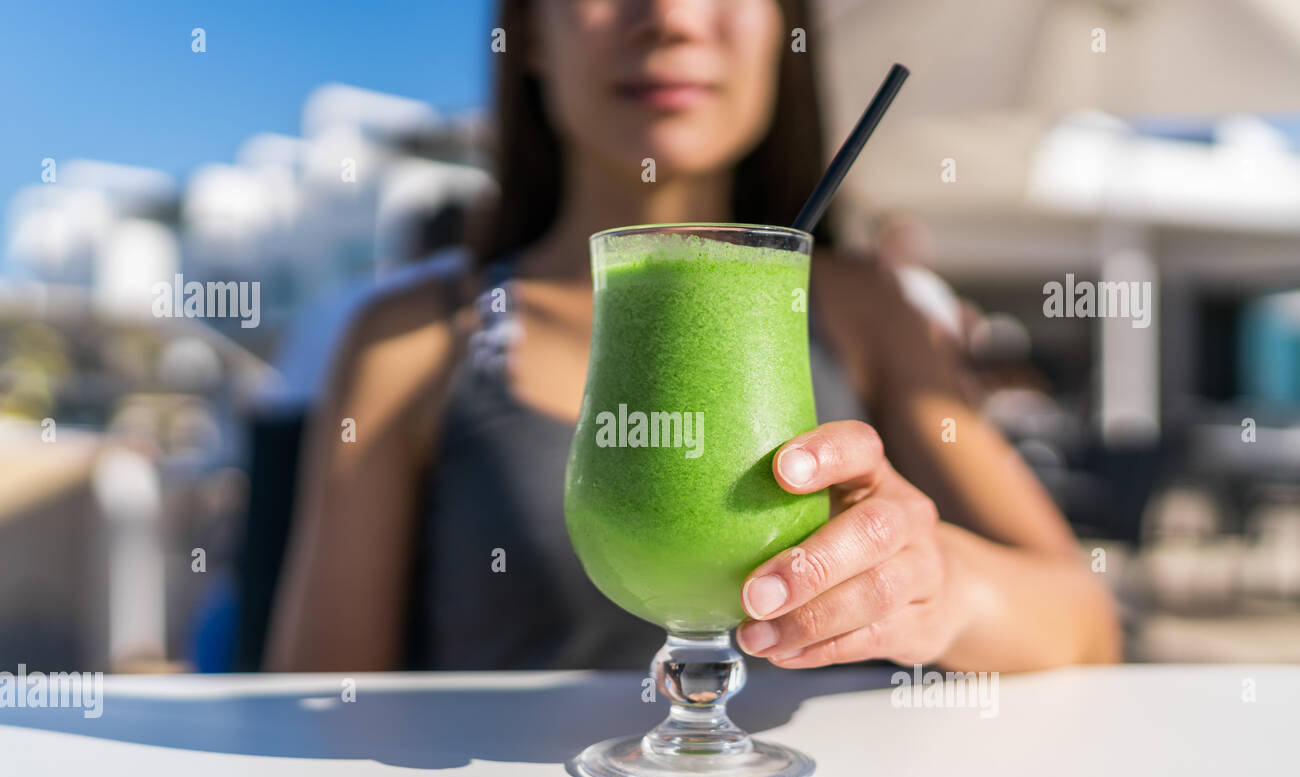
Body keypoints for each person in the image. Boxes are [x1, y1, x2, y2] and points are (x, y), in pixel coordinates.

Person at [266, 0, 1119, 673]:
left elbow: (1086, 626)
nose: (670, 16)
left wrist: (944, 587)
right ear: (527, 32)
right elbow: (325, 694)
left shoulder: (865, 308)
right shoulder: (412, 339)